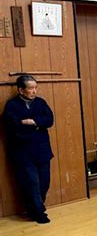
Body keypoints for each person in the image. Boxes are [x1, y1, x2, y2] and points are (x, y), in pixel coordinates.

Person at [3, 75, 54, 223]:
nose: (34, 91)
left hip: (42, 150)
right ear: (21, 90)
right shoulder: (12, 105)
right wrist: (36, 127)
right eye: (30, 88)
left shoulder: (40, 102)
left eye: (35, 88)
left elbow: (49, 120)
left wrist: (34, 122)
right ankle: (38, 213)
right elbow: (12, 126)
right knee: (32, 183)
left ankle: (34, 208)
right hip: (23, 152)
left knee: (45, 182)